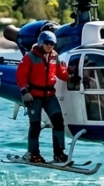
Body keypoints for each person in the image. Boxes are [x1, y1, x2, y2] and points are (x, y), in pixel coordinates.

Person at [15, 30, 69, 164]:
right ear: (40, 42)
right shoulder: (29, 57)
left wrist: (72, 77)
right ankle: (33, 154)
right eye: (47, 43)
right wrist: (24, 92)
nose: (50, 46)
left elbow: (61, 73)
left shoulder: (54, 56)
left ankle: (59, 153)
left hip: (50, 95)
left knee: (58, 121)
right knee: (35, 125)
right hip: (34, 96)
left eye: (52, 43)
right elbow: (20, 75)